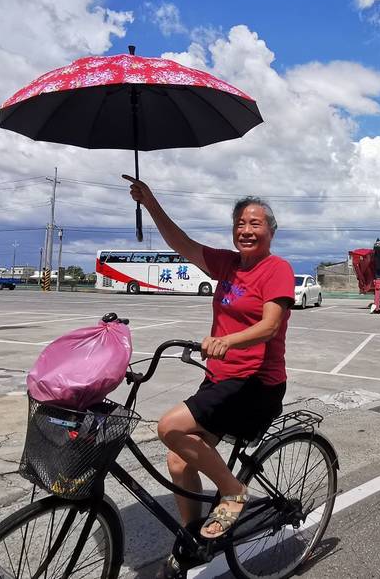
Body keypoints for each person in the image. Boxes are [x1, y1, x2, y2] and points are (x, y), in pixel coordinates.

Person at [123, 175, 294, 548]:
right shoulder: (229, 264)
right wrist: (150, 202)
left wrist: (226, 341)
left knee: (169, 427)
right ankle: (192, 542)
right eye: (239, 224)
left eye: (255, 223)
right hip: (221, 378)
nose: (246, 230)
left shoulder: (276, 268)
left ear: (270, 231)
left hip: (256, 384)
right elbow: (181, 244)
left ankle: (233, 492)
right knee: (178, 462)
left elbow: (269, 326)